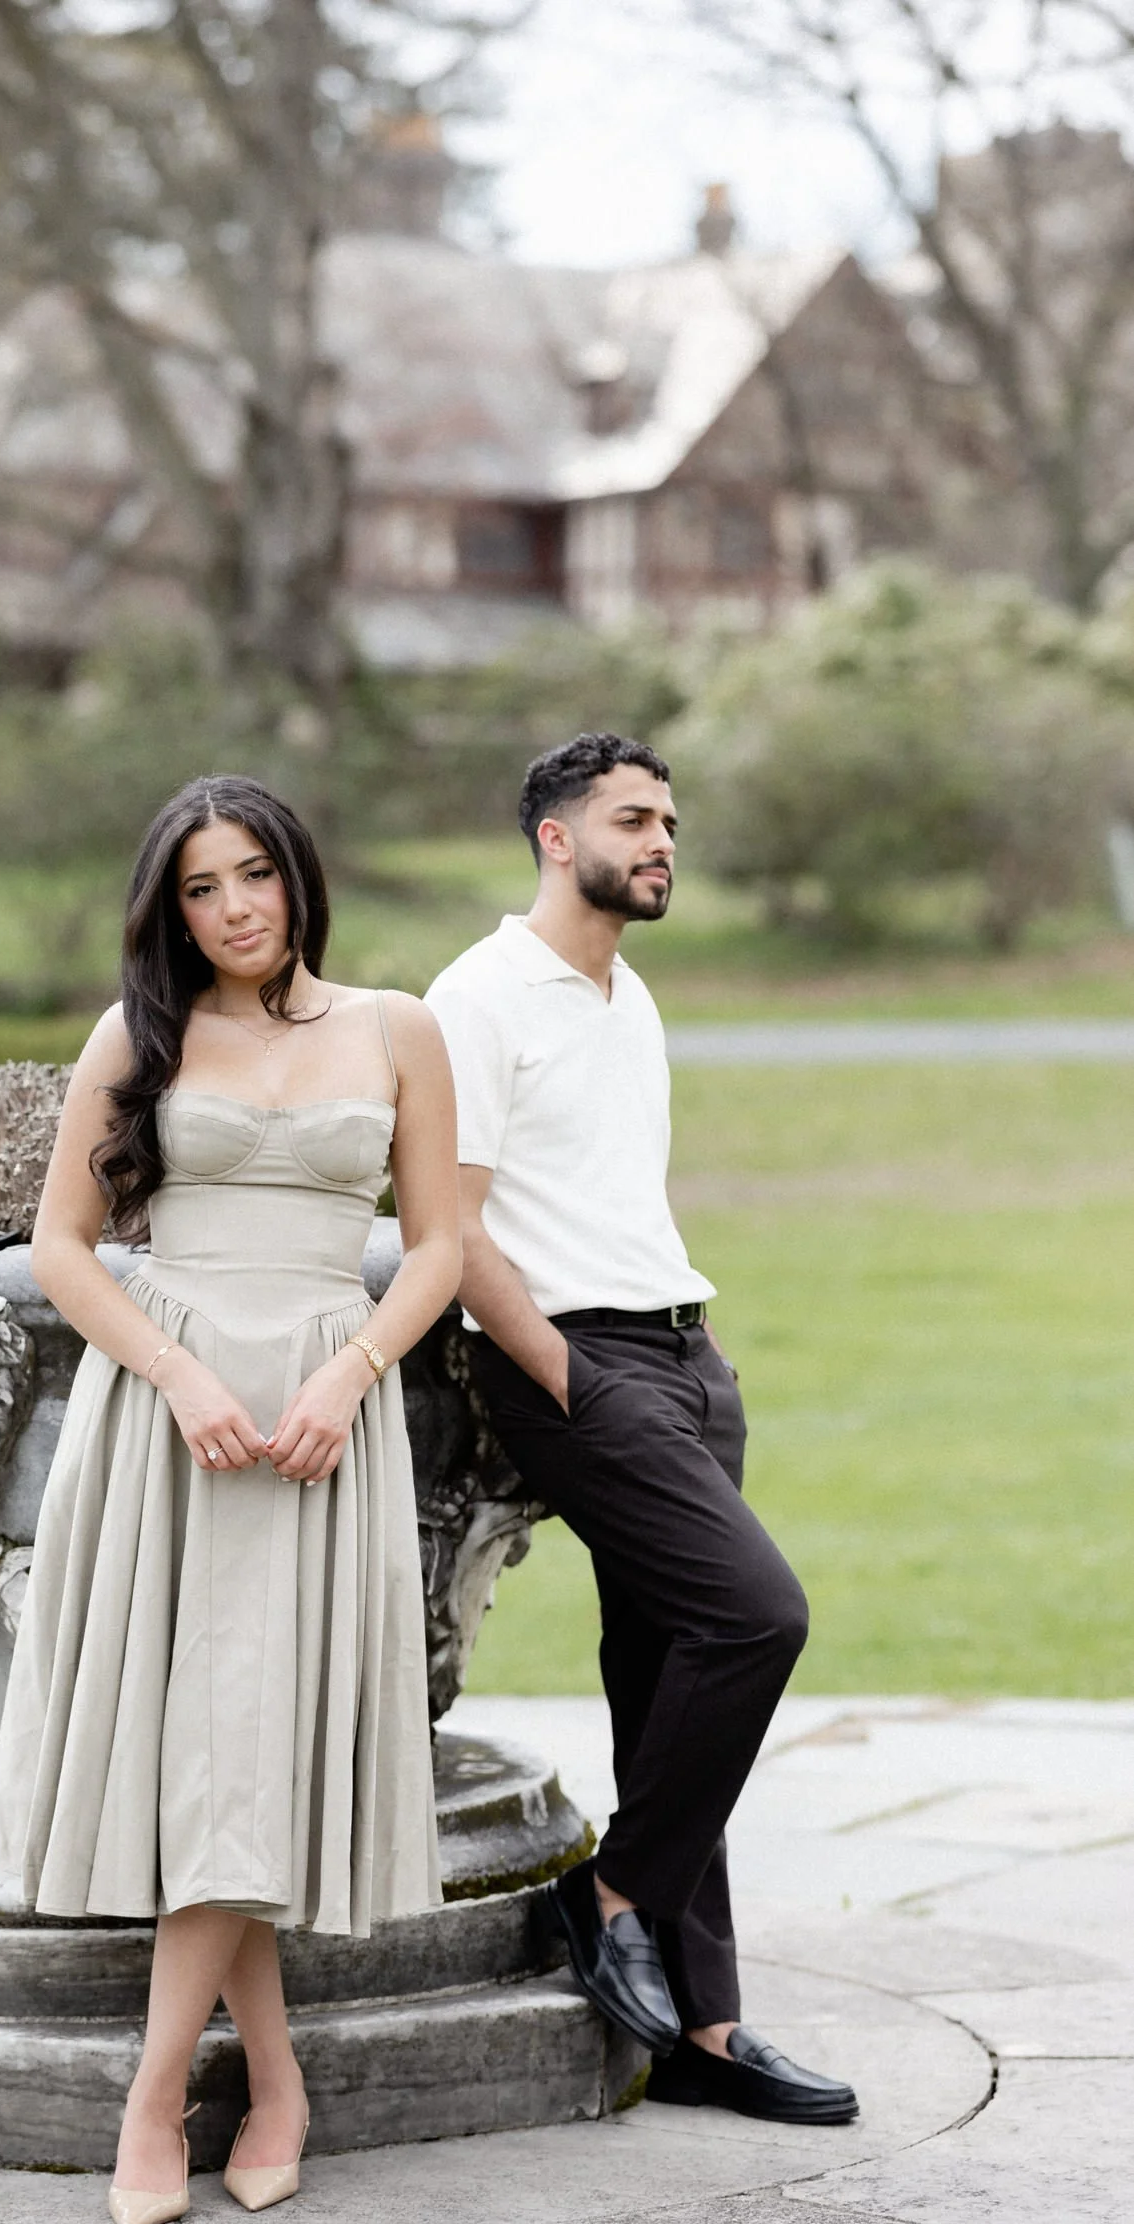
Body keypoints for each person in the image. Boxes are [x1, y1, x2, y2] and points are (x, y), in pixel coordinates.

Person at [0, 774, 460, 2224]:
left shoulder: (398, 1029)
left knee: (242, 1754)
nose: (234, 908)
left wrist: (355, 1373)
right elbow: (64, 1249)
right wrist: (183, 1379)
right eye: (201, 888)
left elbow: (442, 1246)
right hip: (173, 1421)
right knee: (214, 1756)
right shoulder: (137, 1032)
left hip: (323, 1412)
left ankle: (156, 2101)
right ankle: (265, 2078)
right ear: (169, 908)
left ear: (298, 876)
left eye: (253, 874)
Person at [424, 731, 858, 2128]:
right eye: (635, 818)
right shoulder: (480, 997)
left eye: (670, 818)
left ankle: (705, 2032)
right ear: (557, 836)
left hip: (678, 1351)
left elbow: (620, 1197)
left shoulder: (629, 997)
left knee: (673, 1676)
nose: (664, 839)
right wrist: (560, 1369)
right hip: (574, 1364)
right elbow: (453, 1224)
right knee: (757, 1616)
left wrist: (701, 1350)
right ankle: (604, 1896)